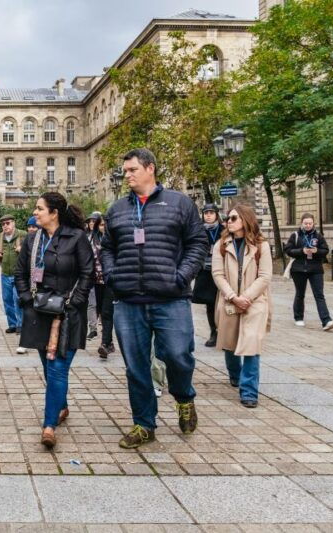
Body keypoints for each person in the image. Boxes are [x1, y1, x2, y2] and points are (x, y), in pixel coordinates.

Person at [101, 148, 207, 449]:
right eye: (125, 171)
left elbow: (198, 242)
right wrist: (112, 275)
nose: (127, 175)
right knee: (136, 367)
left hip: (171, 297)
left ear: (150, 169)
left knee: (177, 355)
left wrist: (181, 276)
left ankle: (184, 397)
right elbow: (107, 247)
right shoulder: (117, 209)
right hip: (128, 300)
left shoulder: (179, 203)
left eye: (132, 169)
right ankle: (144, 424)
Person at [14, 192, 93, 449]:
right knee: (49, 369)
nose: (35, 213)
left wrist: (75, 301)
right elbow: (20, 272)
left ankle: (49, 425)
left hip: (68, 313)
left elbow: (88, 272)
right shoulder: (32, 239)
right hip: (39, 312)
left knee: (58, 367)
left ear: (54, 213)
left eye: (39, 208)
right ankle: (61, 406)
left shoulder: (77, 237)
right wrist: (27, 299)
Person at [212, 204, 272, 408]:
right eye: (227, 218)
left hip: (254, 301)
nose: (229, 222)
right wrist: (232, 296)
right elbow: (217, 274)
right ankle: (235, 375)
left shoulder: (261, 245)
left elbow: (265, 277)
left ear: (245, 220)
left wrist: (246, 297)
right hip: (229, 300)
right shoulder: (221, 245)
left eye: (233, 218)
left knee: (251, 344)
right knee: (230, 343)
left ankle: (249, 392)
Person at [283, 213, 333, 331]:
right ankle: (298, 317)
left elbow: (325, 250)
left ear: (313, 223)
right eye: (305, 223)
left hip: (315, 269)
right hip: (299, 269)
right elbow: (288, 250)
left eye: (310, 223)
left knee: (319, 295)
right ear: (301, 223)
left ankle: (326, 320)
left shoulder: (318, 236)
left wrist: (316, 251)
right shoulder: (295, 235)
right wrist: (301, 251)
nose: (308, 225)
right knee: (300, 294)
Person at [192, 204, 225, 347]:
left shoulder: (224, 230)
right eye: (206, 213)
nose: (209, 215)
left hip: (222, 271)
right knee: (210, 303)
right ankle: (214, 332)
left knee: (223, 302)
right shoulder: (198, 230)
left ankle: (225, 333)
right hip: (205, 271)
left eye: (211, 212)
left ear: (217, 214)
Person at [0, 215, 27, 353]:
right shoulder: (0, 237)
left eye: (7, 223)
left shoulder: (23, 234)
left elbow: (31, 250)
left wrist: (22, 249)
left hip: (19, 274)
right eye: (3, 224)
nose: (5, 226)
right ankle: (12, 324)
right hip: (5, 273)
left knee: (18, 299)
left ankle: (20, 325)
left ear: (13, 223)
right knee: (7, 300)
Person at [90, 214, 116, 358]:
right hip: (96, 281)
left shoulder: (115, 239)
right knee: (100, 311)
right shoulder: (92, 239)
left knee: (107, 312)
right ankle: (109, 342)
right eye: (101, 225)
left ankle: (105, 343)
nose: (103, 227)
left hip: (110, 280)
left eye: (105, 224)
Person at [84, 213, 100, 341]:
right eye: (90, 221)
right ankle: (93, 328)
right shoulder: (85, 237)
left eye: (94, 221)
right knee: (91, 303)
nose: (91, 223)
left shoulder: (103, 237)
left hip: (103, 276)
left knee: (103, 305)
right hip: (90, 274)